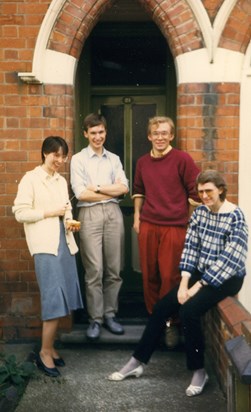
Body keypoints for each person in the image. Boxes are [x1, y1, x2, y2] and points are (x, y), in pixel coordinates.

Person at [108, 170, 248, 397]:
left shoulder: (235, 216)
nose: (204, 195)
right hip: (201, 274)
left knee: (189, 311)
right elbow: (191, 249)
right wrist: (184, 283)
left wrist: (195, 287)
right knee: (163, 306)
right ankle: (137, 361)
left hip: (227, 278)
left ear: (221, 189)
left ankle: (199, 371)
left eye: (209, 191)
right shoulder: (200, 214)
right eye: (200, 191)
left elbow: (230, 260)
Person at [13, 136, 84, 378]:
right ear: (44, 153)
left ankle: (51, 346)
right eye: (55, 154)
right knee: (54, 297)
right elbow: (19, 212)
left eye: (63, 156)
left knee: (63, 296)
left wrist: (70, 222)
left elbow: (66, 208)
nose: (59, 160)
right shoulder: (31, 179)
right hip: (45, 245)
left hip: (64, 243)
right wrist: (49, 212)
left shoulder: (60, 181)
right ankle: (44, 353)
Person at [132, 116, 200, 346]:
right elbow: (139, 190)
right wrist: (137, 218)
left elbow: (196, 193)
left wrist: (188, 220)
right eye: (156, 133)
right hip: (149, 225)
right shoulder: (142, 162)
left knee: (170, 277)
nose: (160, 137)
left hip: (174, 227)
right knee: (149, 275)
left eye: (164, 133)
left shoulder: (182, 159)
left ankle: (171, 323)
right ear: (149, 136)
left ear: (171, 136)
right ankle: (156, 320)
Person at [70, 113, 129, 340]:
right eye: (93, 133)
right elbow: (80, 192)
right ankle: (95, 319)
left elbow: (123, 188)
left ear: (105, 132)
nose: (97, 137)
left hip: (114, 214)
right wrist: (106, 189)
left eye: (101, 132)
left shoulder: (113, 159)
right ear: (86, 133)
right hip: (89, 214)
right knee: (94, 269)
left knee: (114, 269)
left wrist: (94, 188)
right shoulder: (78, 159)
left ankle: (110, 314)